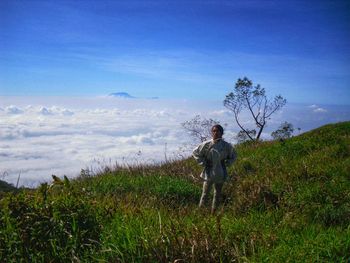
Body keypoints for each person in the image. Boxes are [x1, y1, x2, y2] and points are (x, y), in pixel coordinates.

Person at [192, 124, 237, 213]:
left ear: (221, 133)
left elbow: (233, 155)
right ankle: (201, 212)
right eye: (214, 131)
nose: (216, 133)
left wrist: (227, 163)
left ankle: (214, 212)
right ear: (212, 132)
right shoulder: (206, 144)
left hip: (220, 172)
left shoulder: (226, 146)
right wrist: (202, 162)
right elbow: (195, 152)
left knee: (217, 194)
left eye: (218, 131)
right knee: (205, 194)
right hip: (208, 172)